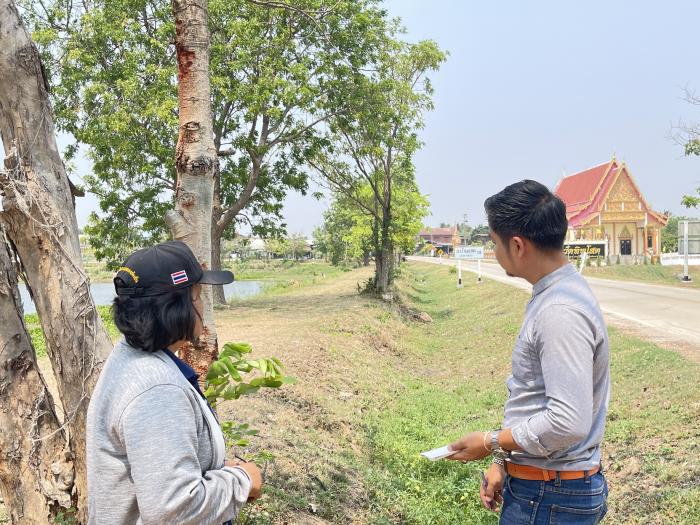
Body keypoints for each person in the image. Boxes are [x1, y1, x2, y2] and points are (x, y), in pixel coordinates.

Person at [446, 180, 610, 524]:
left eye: (494, 243)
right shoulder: (555, 294)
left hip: (550, 498)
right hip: (545, 489)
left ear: (517, 245)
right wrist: (504, 459)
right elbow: (537, 401)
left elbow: (567, 422)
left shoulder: (559, 310)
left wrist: (490, 442)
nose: (494, 251)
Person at [87, 240, 262, 524]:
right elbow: (173, 510)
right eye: (198, 294)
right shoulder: (157, 390)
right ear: (178, 306)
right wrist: (242, 481)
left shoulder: (130, 356)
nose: (203, 306)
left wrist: (214, 469)